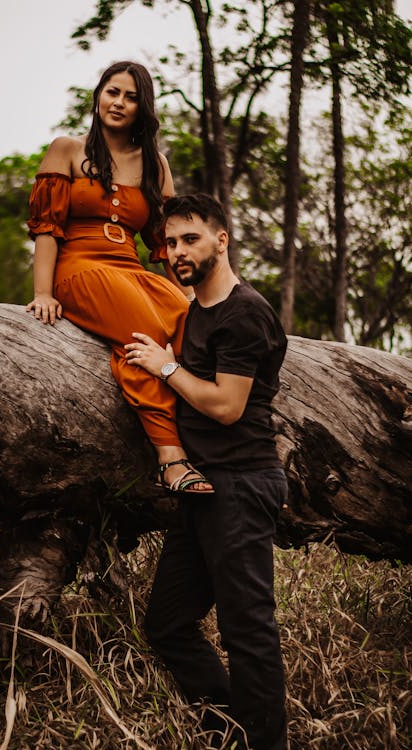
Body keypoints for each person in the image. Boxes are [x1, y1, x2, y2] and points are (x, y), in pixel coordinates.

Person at [125, 193, 288, 750]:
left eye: (189, 238)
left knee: (249, 633)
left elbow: (226, 406)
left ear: (222, 239)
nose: (176, 251)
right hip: (205, 487)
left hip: (241, 484)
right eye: (169, 242)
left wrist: (165, 366)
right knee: (167, 624)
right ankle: (229, 733)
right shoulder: (196, 309)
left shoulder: (244, 312)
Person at [25, 61, 212, 495]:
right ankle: (170, 458)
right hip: (80, 269)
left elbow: (165, 245)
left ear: (141, 107)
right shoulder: (66, 149)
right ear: (98, 96)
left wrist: (189, 298)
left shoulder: (155, 164)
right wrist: (42, 292)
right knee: (145, 337)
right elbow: (46, 228)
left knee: (192, 329)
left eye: (130, 97)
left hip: (131, 269)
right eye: (112, 92)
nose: (119, 103)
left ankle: (207, 444)